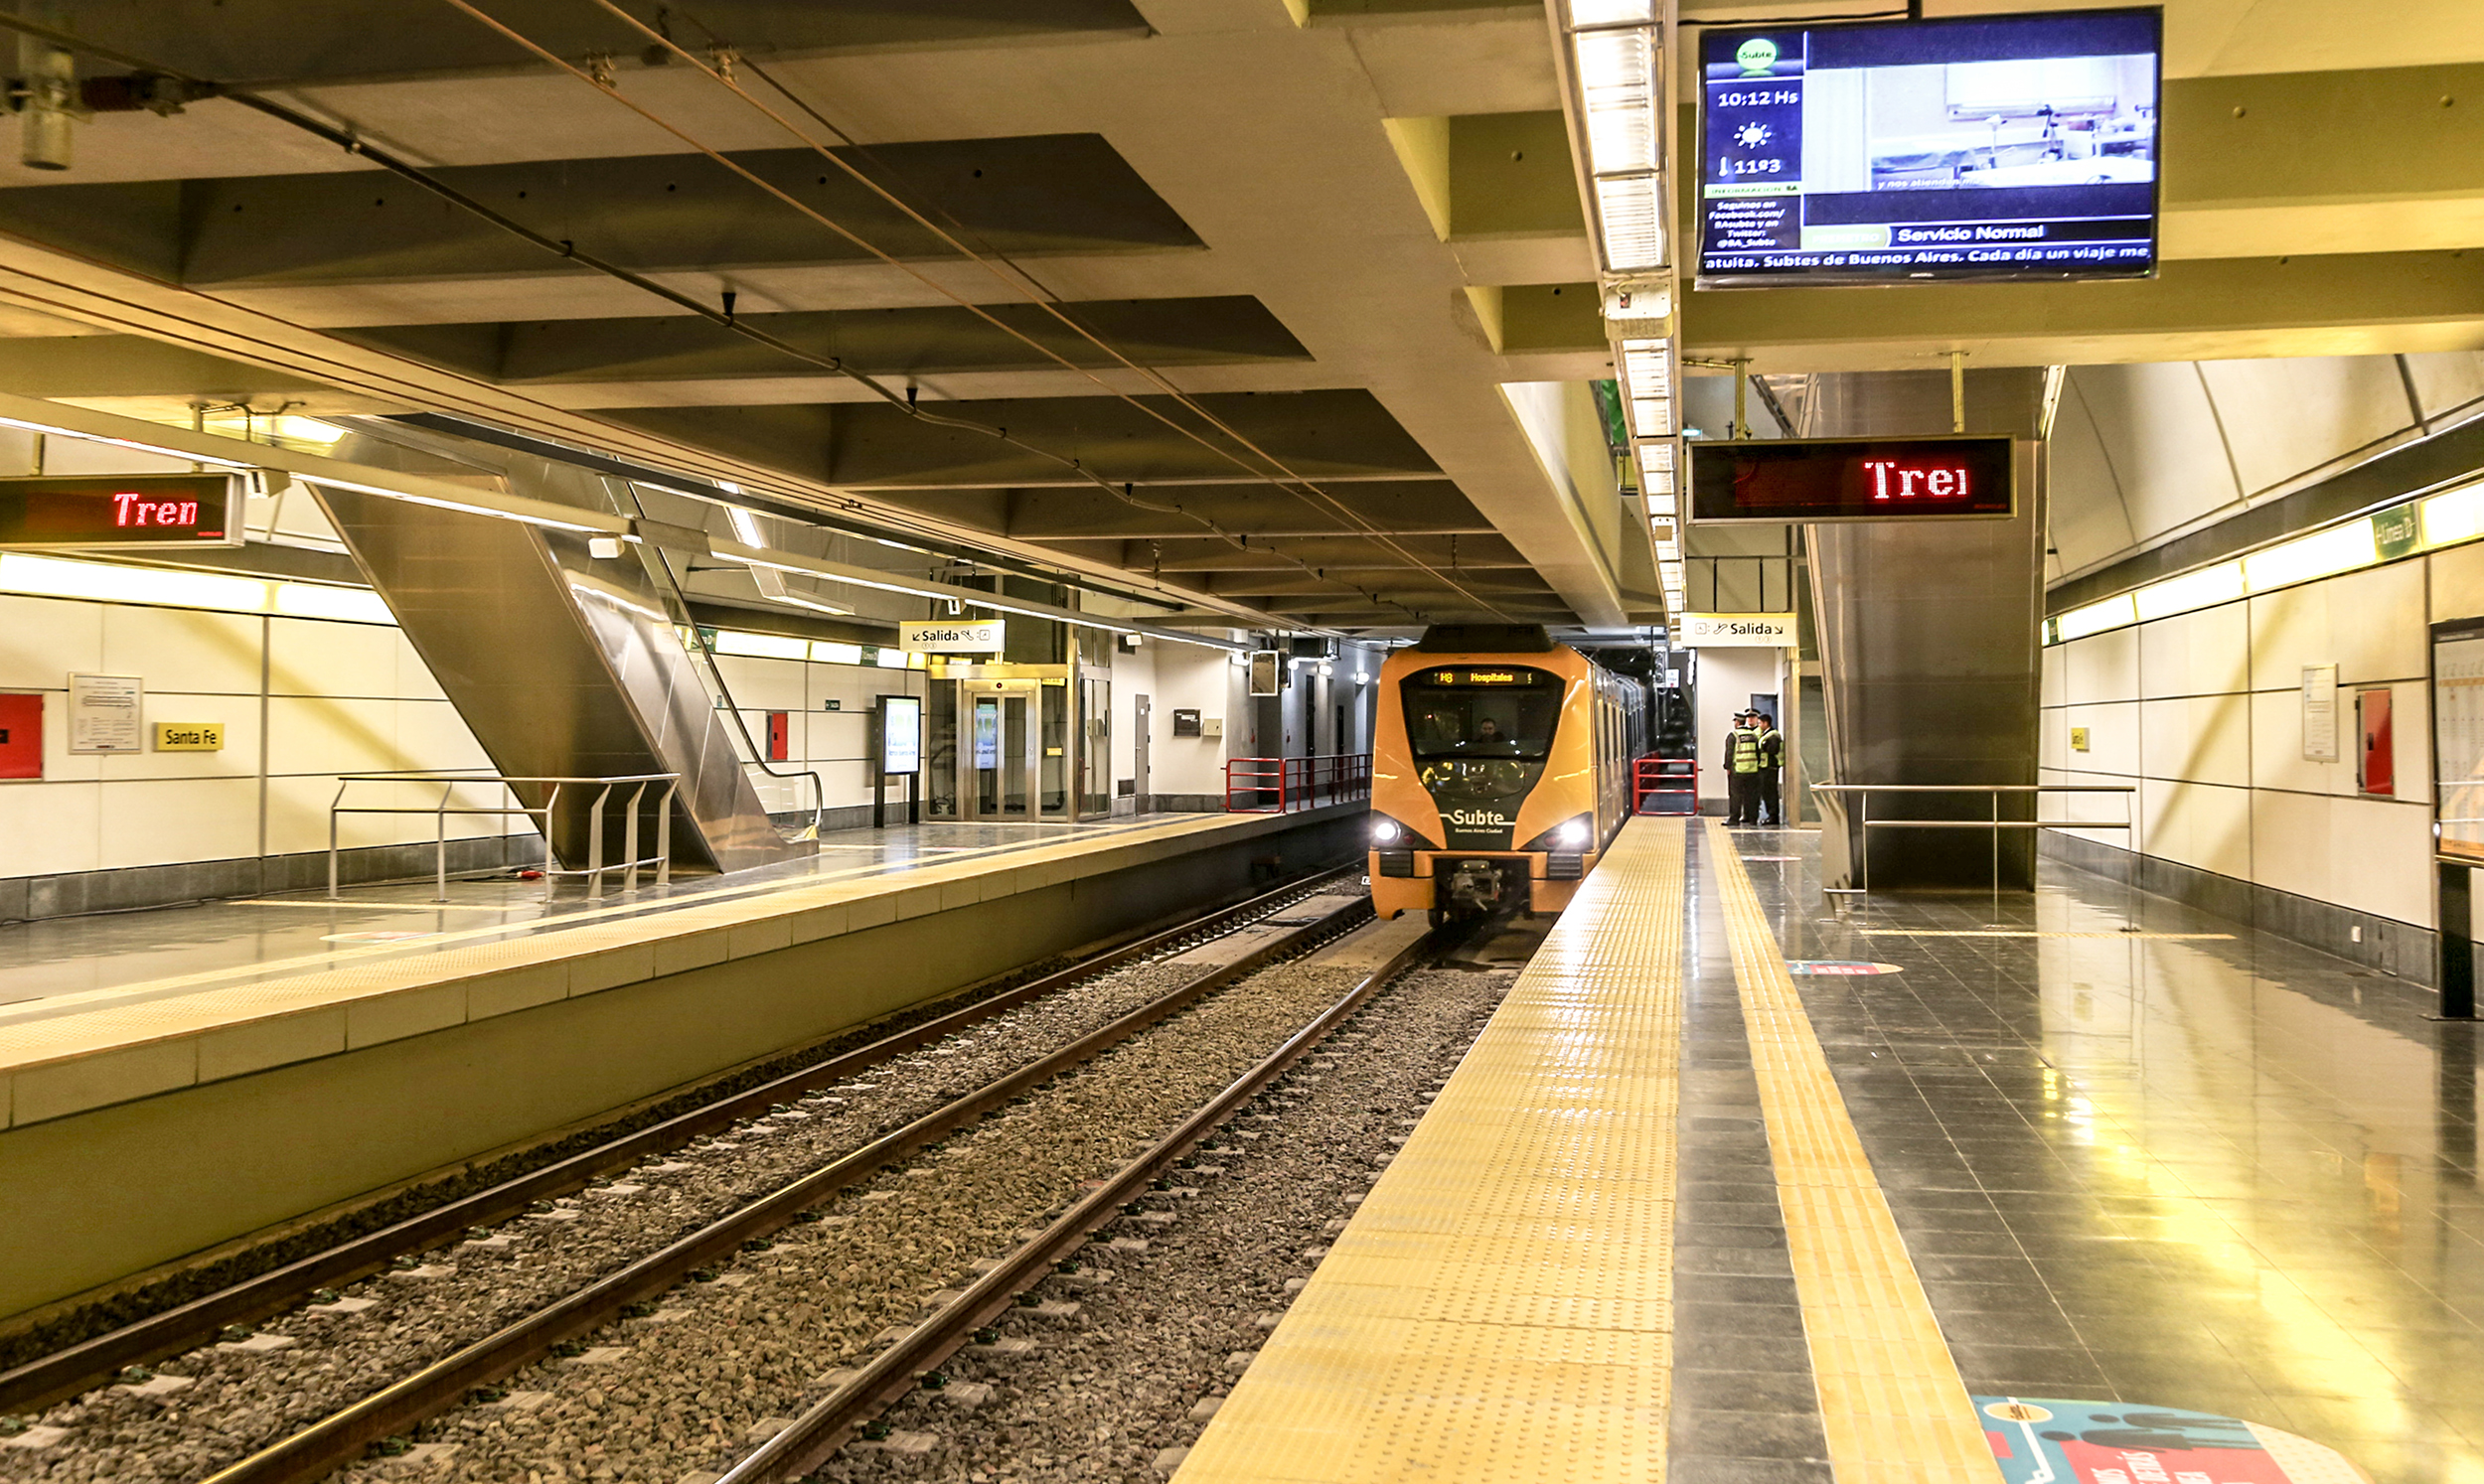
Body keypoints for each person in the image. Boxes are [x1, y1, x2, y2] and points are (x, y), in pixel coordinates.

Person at [1724, 711, 1763, 825]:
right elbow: (1758, 752)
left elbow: (1729, 753)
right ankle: (1752, 819)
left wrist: (1727, 766)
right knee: (1752, 795)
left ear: (1737, 722)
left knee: (1736, 795)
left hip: (1738, 771)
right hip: (1753, 770)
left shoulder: (1733, 735)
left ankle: (1734, 819)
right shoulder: (1753, 735)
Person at [1753, 711, 1785, 827]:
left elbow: (1772, 750)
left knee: (1770, 792)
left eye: (1760, 723)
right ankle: (1770, 815)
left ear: (1766, 723)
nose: (1759, 725)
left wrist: (1764, 746)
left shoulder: (1773, 736)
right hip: (1765, 767)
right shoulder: (1765, 735)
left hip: (1770, 768)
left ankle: (1773, 816)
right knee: (1766, 792)